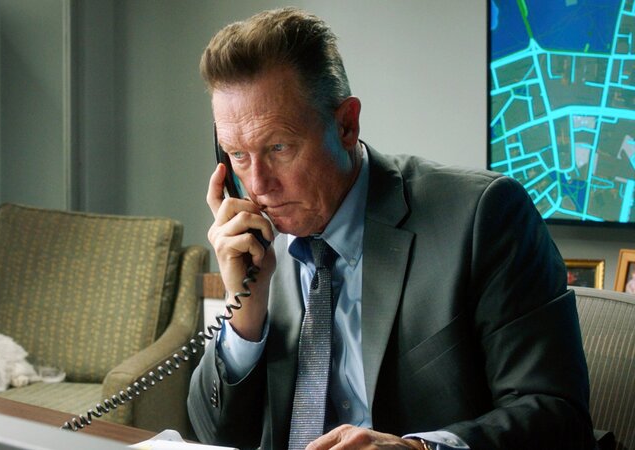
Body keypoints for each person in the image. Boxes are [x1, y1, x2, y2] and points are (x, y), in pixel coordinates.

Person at [188, 7, 595, 450]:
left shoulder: (484, 216)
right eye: (238, 155)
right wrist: (244, 308)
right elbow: (212, 435)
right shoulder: (257, 248)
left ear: (346, 125)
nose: (259, 184)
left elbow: (557, 415)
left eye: (279, 147)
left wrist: (418, 449)